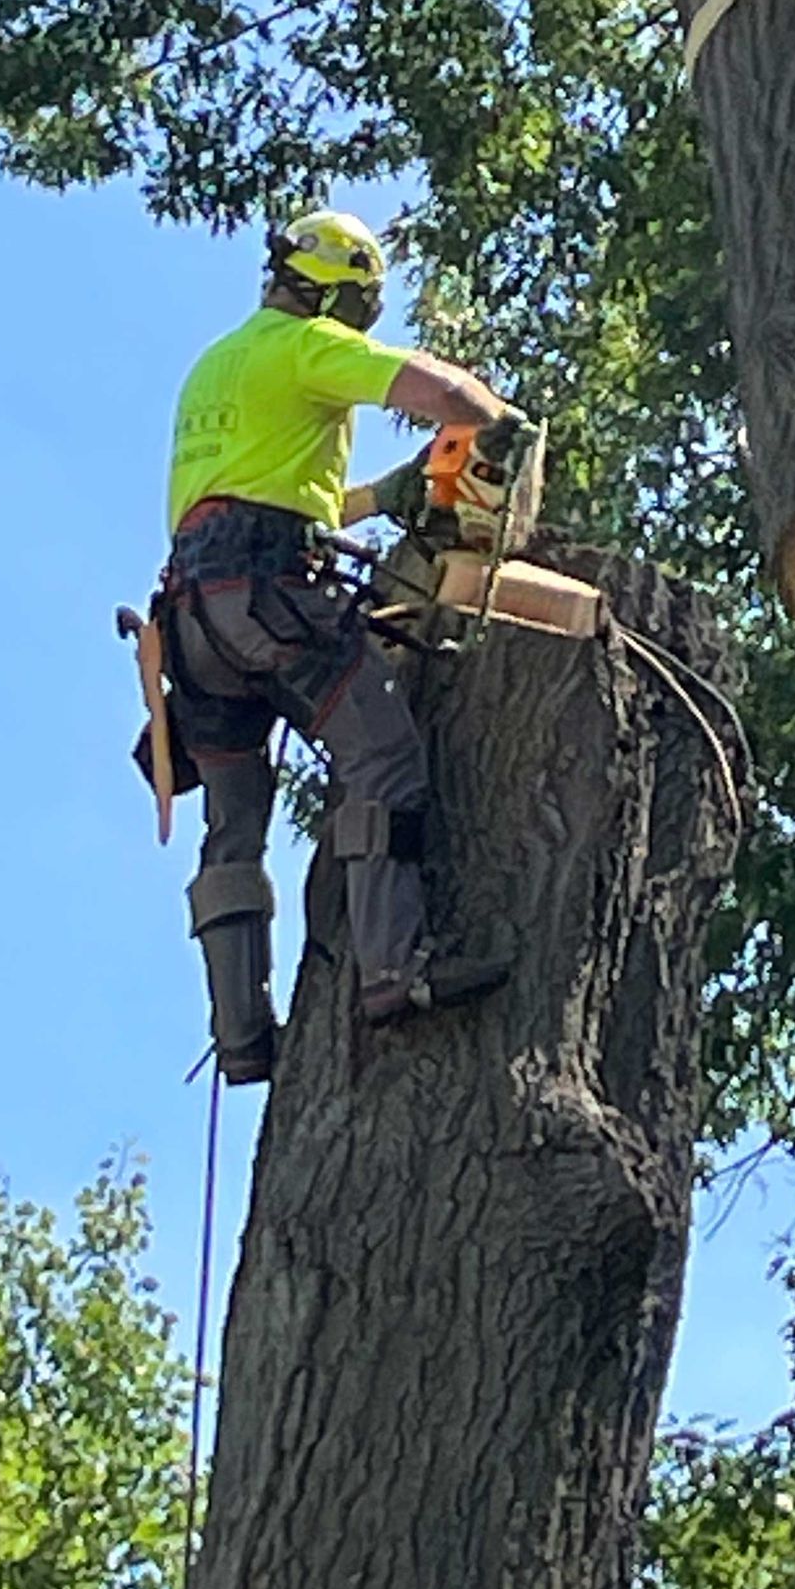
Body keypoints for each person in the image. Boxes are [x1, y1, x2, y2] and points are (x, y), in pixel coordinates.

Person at [159, 208, 521, 1084]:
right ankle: (395, 971)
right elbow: (442, 394)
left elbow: (264, 489)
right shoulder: (305, 344)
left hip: (195, 618)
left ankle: (243, 1034)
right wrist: (501, 422)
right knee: (383, 759)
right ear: (337, 291)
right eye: (361, 302)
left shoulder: (221, 362)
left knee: (232, 826)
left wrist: (385, 493)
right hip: (272, 595)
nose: (362, 319)